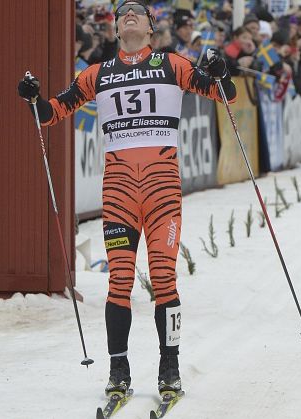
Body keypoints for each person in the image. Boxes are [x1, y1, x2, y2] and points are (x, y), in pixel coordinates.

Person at [17, 0, 236, 400]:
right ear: (117, 28)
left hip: (162, 189)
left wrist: (221, 72)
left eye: (138, 11)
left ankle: (169, 367)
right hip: (118, 191)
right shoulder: (97, 74)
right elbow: (52, 113)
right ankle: (119, 370)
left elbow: (226, 94)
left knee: (164, 279)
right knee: (118, 281)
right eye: (122, 12)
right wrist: (32, 97)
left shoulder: (173, 64)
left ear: (151, 29)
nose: (129, 13)